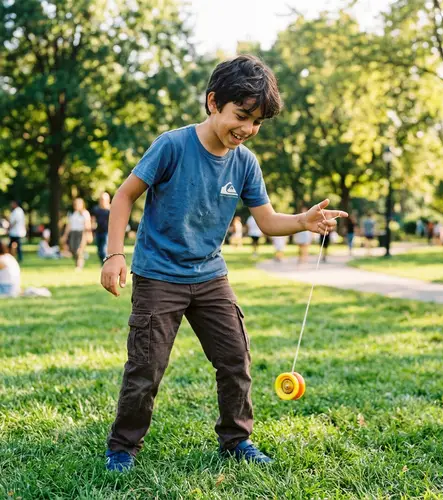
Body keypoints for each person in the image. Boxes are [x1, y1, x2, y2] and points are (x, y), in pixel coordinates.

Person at [99, 55, 348, 472]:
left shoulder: (245, 161)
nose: (248, 130)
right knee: (146, 366)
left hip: (211, 275)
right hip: (159, 275)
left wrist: (302, 221)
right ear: (213, 102)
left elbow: (266, 221)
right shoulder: (172, 145)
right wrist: (114, 253)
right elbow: (124, 196)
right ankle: (122, 448)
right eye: (242, 116)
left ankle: (237, 439)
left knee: (235, 359)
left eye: (257, 123)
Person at [61, 198, 92, 270]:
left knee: (80, 249)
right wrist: (65, 235)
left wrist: (89, 234)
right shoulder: (72, 213)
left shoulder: (85, 213)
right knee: (72, 249)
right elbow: (69, 225)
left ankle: (79, 265)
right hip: (73, 233)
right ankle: (77, 263)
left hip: (81, 233)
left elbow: (87, 225)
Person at [92, 192, 111, 265]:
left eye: (104, 199)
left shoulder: (111, 209)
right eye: (101, 199)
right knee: (99, 250)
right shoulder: (96, 209)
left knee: (104, 249)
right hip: (98, 232)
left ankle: (106, 263)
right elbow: (93, 220)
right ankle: (102, 263)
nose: (102, 201)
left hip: (107, 232)